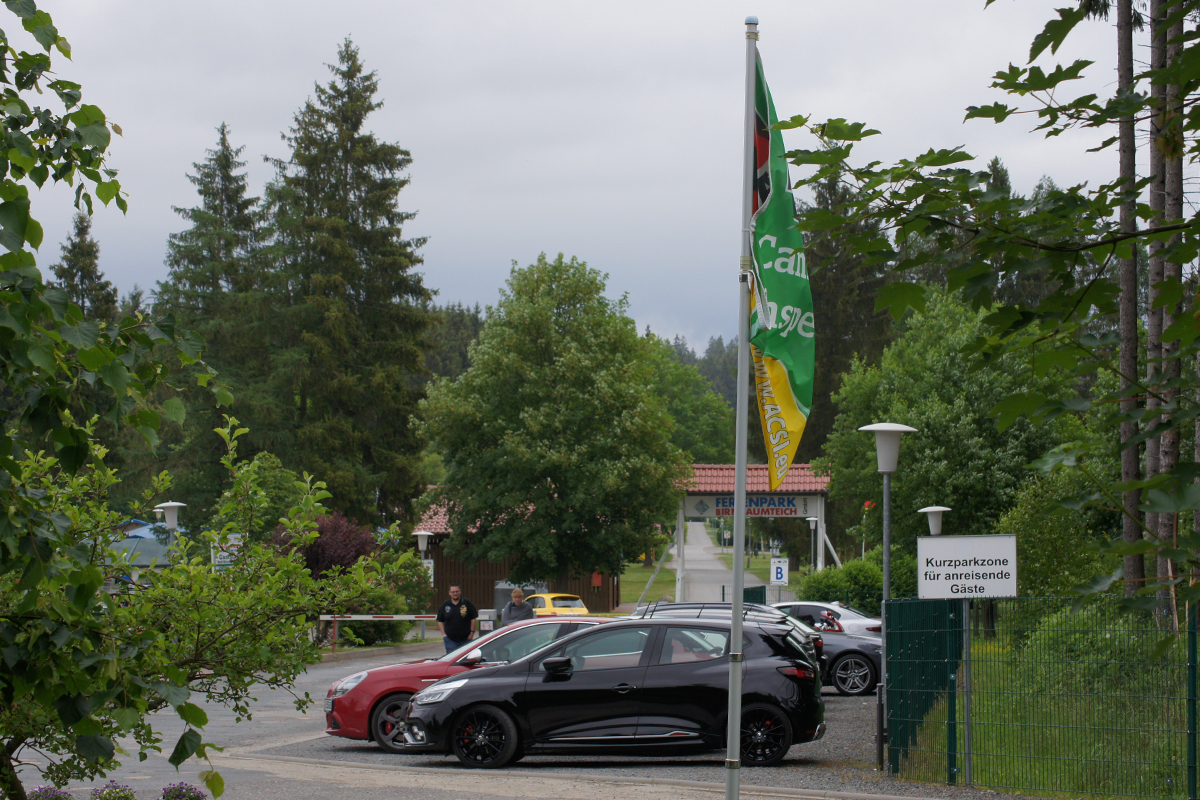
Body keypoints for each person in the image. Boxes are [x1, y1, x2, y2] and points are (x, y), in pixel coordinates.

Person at [436, 584, 478, 653]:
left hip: (466, 639)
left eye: (457, 591)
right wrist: (444, 634)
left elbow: (473, 618)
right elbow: (440, 621)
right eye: (453, 592)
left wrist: (472, 633)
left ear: (460, 592)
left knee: (465, 660)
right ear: (449, 593)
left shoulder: (466, 603)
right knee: (452, 660)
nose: (455, 593)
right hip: (450, 640)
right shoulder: (445, 605)